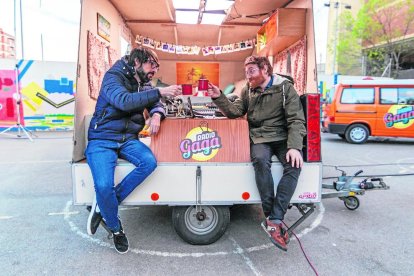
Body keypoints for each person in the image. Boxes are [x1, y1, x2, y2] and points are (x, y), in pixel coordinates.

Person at [85, 47, 182, 254]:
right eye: (151, 66)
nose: (154, 71)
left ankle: (104, 206)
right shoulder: (113, 77)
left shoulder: (143, 81)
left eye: (156, 67)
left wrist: (157, 114)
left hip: (128, 138)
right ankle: (116, 228)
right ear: (137, 62)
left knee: (149, 162)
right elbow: (124, 102)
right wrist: (160, 91)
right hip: (102, 139)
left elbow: (156, 103)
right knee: (103, 186)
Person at [207, 55, 306, 252]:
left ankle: (275, 217)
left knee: (294, 165)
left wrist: (295, 146)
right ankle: (272, 217)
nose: (248, 76)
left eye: (251, 71)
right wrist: (219, 96)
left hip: (283, 137)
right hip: (260, 137)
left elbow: (296, 119)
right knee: (260, 160)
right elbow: (236, 111)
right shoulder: (248, 90)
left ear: (265, 70)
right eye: (247, 72)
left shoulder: (285, 88)